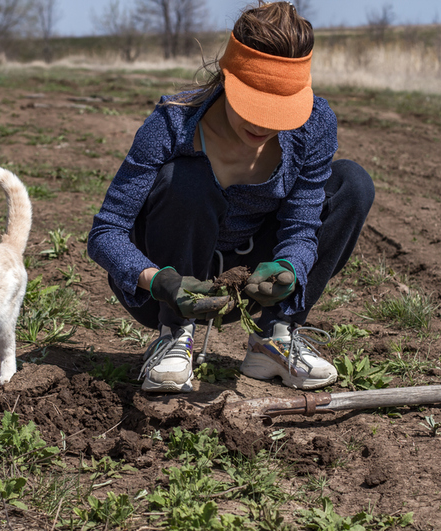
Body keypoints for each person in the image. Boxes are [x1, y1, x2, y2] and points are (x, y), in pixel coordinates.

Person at [87, 1, 375, 394]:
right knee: (186, 179)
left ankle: (274, 336)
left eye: (278, 112)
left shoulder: (315, 125)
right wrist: (159, 282)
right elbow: (106, 232)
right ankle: (175, 337)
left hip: (254, 276)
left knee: (352, 184)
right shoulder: (172, 124)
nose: (263, 124)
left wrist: (289, 268)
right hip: (169, 283)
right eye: (252, 105)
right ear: (227, 75)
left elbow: (301, 227)